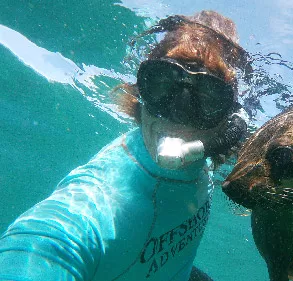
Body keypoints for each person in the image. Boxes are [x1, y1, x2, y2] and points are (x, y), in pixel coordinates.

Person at [0, 10, 248, 281]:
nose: (178, 115)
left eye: (208, 97)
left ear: (228, 116)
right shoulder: (96, 203)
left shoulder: (209, 152)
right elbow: (47, 244)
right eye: (162, 84)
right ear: (141, 90)